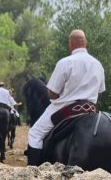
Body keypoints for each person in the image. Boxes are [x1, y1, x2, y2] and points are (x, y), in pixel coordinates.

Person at [26, 29, 105, 166]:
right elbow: (100, 92)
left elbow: (53, 94)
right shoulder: (97, 64)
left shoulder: (64, 63)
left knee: (35, 134)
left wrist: (56, 92)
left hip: (65, 109)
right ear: (85, 43)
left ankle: (33, 171)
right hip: (91, 109)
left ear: (70, 44)